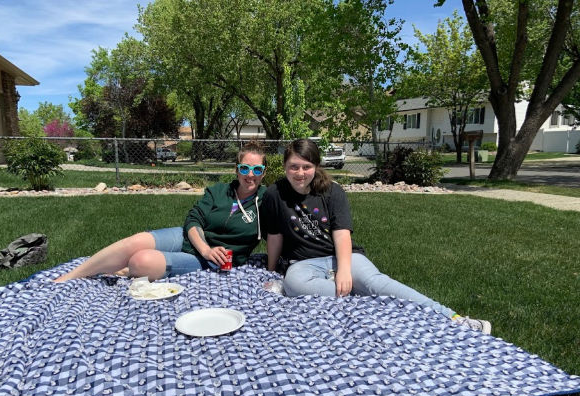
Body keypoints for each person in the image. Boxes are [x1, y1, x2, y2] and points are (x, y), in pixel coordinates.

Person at [261, 138, 491, 334]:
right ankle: (370, 301)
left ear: (316, 166)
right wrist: (272, 270)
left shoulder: (332, 191)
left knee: (377, 283)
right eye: (293, 167)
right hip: (304, 264)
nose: (300, 173)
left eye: (306, 167)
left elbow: (341, 236)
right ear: (284, 167)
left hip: (342, 257)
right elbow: (274, 235)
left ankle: (454, 318)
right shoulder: (274, 193)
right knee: (292, 284)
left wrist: (343, 270)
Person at [54, 140, 267, 282]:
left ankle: (126, 270)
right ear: (236, 170)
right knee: (136, 241)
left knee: (141, 262)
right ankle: (70, 277)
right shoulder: (219, 191)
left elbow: (281, 227)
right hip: (194, 240)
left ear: (264, 173)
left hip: (212, 262)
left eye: (257, 169)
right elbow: (193, 220)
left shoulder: (267, 199)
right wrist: (204, 248)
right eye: (244, 168)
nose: (250, 174)